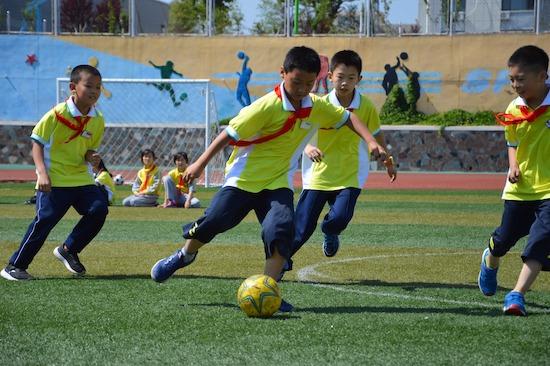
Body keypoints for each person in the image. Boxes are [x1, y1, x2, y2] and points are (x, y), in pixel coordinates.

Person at [150, 46, 387, 313]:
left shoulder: (316, 106)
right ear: (282, 73)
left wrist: (371, 142)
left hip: (278, 182)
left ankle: (269, 289)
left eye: (309, 84)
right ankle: (184, 255)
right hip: (243, 178)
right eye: (296, 82)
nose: (301, 89)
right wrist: (199, 163)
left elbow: (348, 118)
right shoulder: (264, 106)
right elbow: (228, 135)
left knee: (281, 229)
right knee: (215, 220)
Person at [282, 50, 397, 278]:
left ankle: (330, 231)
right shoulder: (318, 104)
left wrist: (388, 161)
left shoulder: (366, 107)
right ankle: (281, 261)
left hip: (350, 173)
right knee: (302, 228)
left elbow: (376, 134)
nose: (344, 83)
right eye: (340, 77)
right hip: (318, 174)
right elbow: (298, 133)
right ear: (330, 77)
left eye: (351, 78)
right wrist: (307, 148)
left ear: (359, 80)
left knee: (339, 218)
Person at [1, 65, 108, 281]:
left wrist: (90, 157)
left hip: (81, 179)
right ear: (73, 87)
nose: (94, 91)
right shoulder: (57, 114)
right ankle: (14, 266)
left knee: (99, 209)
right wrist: (42, 174)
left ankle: (69, 249)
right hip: (54, 180)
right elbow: (37, 142)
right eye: (89, 85)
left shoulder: (98, 119)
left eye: (98, 87)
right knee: (45, 221)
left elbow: (88, 149)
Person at [478, 45, 550, 316]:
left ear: (542, 76)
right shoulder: (514, 107)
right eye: (511, 79)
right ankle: (490, 261)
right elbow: (512, 141)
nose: (515, 85)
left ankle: (516, 294)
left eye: (520, 79)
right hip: (520, 189)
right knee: (504, 239)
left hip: (548, 191)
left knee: (539, 243)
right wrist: (513, 164)